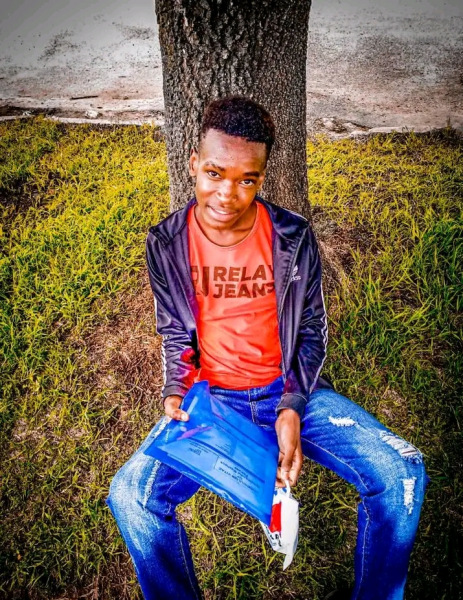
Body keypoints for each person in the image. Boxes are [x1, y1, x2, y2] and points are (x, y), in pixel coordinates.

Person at [106, 96, 429, 600]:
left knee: (401, 471)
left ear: (261, 177)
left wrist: (292, 406)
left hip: (289, 390)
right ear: (193, 164)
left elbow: (312, 330)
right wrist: (175, 387)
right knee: (130, 496)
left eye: (247, 180)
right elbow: (174, 330)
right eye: (214, 173)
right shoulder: (165, 243)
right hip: (213, 402)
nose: (227, 194)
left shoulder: (290, 236)